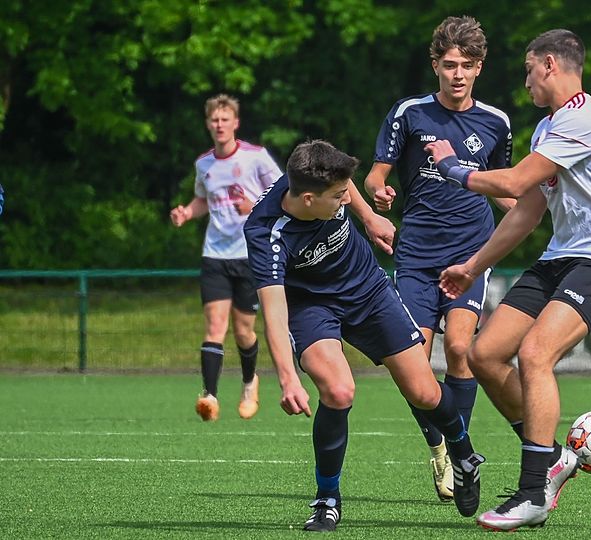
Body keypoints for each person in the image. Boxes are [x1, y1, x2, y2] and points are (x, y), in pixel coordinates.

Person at [425, 29, 591, 531]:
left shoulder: (587, 115)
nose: (525, 82)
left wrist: (453, 167)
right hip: (561, 257)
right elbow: (527, 209)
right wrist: (473, 265)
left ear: (549, 65)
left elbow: (515, 180)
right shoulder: (548, 128)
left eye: (528, 70)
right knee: (483, 354)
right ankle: (555, 457)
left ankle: (534, 491)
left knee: (536, 353)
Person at [243, 139, 485, 532]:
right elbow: (274, 312)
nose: (344, 199)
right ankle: (327, 498)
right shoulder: (266, 234)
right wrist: (288, 379)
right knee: (338, 391)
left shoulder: (316, 176)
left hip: (367, 289)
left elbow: (344, 183)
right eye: (338, 197)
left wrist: (369, 217)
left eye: (346, 192)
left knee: (423, 393)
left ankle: (463, 452)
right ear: (308, 200)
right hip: (310, 306)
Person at [362, 15, 514, 502]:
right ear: (435, 66)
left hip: (471, 252)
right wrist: (379, 192)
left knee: (460, 349)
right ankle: (441, 447)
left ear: (480, 67)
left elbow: (503, 185)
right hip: (417, 255)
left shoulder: (496, 123)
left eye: (467, 65)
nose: (458, 74)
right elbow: (375, 175)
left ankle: (462, 460)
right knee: (412, 362)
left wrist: (530, 211)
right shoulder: (410, 113)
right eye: (449, 65)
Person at [169, 94, 282, 422]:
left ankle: (249, 383)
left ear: (236, 123)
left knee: (244, 331)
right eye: (214, 120)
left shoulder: (256, 157)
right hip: (215, 254)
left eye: (224, 119)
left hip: (249, 254)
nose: (219, 125)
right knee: (214, 326)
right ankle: (210, 396)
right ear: (208, 124)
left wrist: (254, 205)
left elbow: (281, 193)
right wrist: (186, 213)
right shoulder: (204, 164)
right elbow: (203, 200)